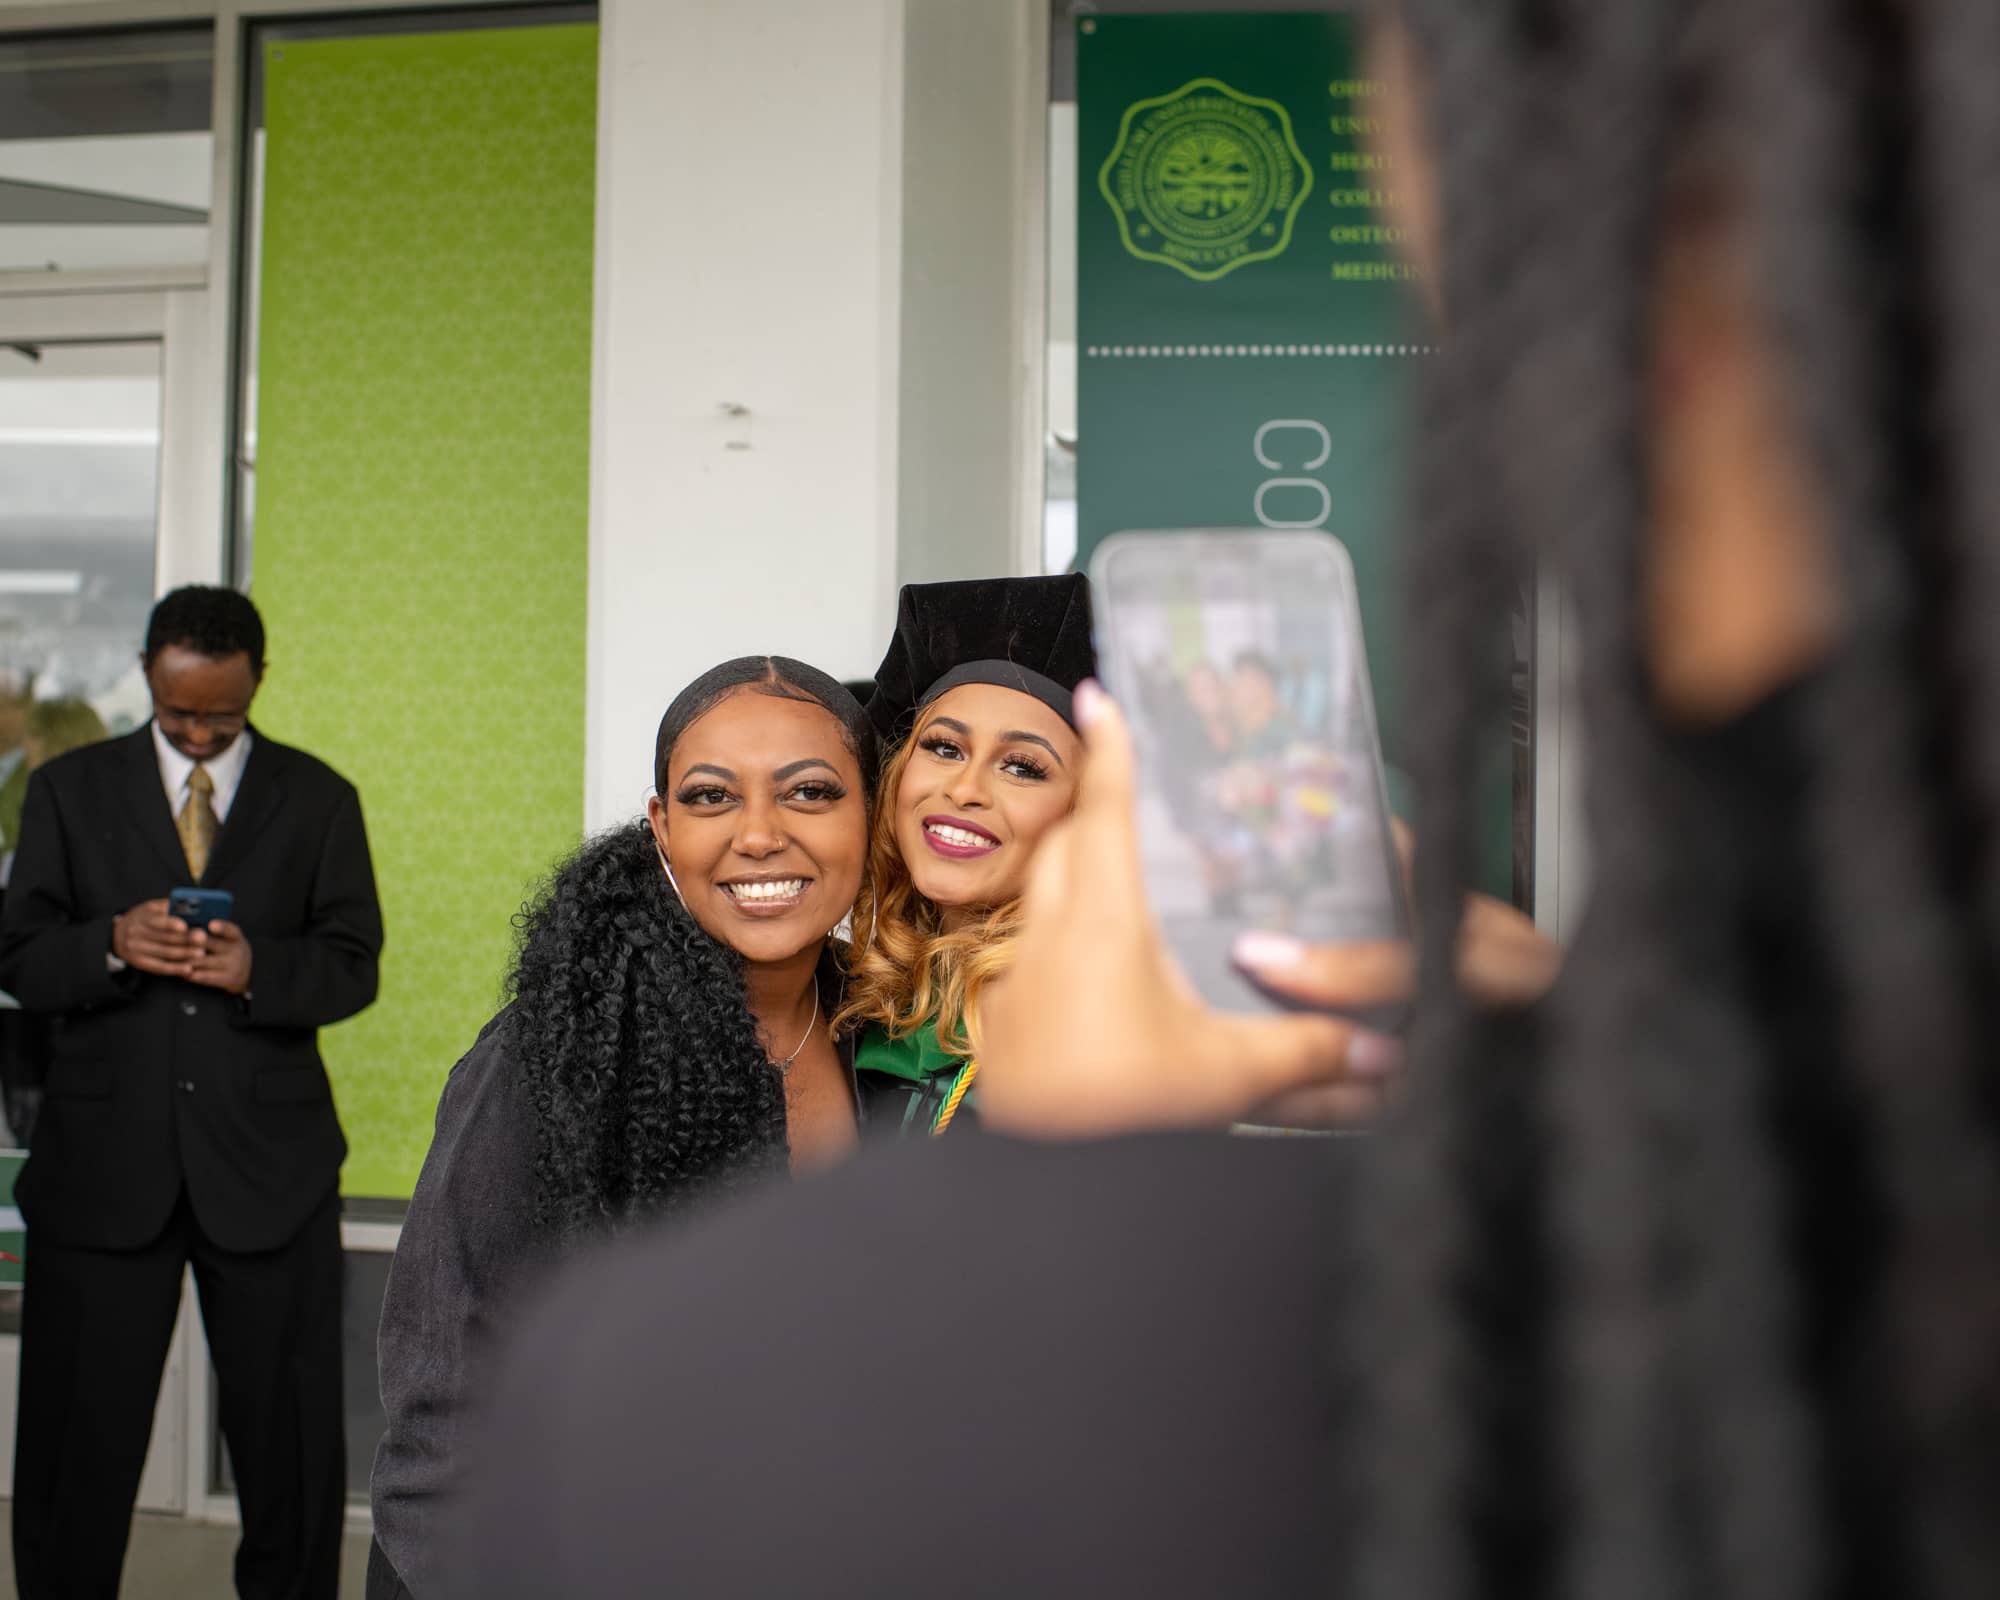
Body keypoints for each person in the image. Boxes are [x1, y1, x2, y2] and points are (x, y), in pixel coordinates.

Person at [450, 0, 2000, 1594]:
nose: (951, 792)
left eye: (1027, 759)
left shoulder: (748, 1361)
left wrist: (1083, 1191)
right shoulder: (738, 1016)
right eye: (936, 752)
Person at [366, 656, 875, 1600]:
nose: (760, 835)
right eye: (712, 797)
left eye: (810, 792)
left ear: (871, 817)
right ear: (662, 828)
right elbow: (447, 1411)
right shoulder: (554, 1057)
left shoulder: (888, 1039)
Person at [0, 585, 382, 1600]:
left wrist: (259, 967)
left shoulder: (319, 797)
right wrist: (109, 942)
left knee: (289, 1453)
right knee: (74, 1453)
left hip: (270, 1172)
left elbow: (353, 965)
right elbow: (21, 958)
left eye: (222, 712)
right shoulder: (69, 792)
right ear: (145, 675)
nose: (202, 733)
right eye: (180, 713)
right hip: (101, 1169)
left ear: (258, 679)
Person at [834, 575, 1094, 1136]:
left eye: (1022, 766)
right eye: (944, 748)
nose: (965, 788)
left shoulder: (1105, 1029)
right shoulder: (853, 1000)